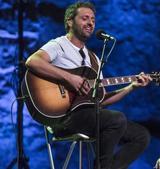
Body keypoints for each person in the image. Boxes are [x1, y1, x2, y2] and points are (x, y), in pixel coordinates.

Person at [25, 2, 152, 169]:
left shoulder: (94, 60)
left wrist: (131, 87)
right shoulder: (59, 45)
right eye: (85, 18)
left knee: (141, 136)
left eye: (93, 19)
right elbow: (32, 61)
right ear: (70, 21)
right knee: (116, 119)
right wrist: (69, 78)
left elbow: (101, 100)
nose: (91, 23)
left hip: (90, 116)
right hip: (64, 117)